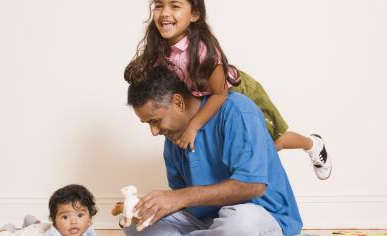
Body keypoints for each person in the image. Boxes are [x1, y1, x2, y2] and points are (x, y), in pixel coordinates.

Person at [124, 0, 331, 180]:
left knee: (274, 142)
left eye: (175, 6)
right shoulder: (158, 47)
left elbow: (220, 94)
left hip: (236, 92)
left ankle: (312, 144)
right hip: (206, 99)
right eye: (159, 5)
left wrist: (193, 127)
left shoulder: (205, 52)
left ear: (195, 14)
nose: (165, 13)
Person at [123, 66, 303, 236]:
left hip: (263, 226)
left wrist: (177, 200)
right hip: (209, 226)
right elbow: (187, 206)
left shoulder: (237, 110)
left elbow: (254, 186)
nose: (154, 132)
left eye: (155, 121)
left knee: (243, 223)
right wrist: (145, 208)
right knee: (135, 224)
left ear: (178, 102)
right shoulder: (173, 140)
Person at [0, 184, 115, 236]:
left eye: (80, 215)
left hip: (44, 229)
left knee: (40, 227)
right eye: (65, 217)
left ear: (90, 220)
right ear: (54, 220)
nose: (73, 221)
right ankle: (5, 230)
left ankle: (33, 222)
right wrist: (5, 234)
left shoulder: (90, 235)